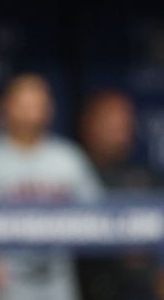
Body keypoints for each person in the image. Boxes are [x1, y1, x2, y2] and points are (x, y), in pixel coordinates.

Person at [0, 74, 102, 300]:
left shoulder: (69, 158)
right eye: (23, 103)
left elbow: (101, 216)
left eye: (38, 102)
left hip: (56, 283)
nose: (31, 111)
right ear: (3, 108)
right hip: (2, 285)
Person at [77, 90, 164, 300]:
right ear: (87, 124)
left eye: (125, 122)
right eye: (110, 121)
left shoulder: (146, 177)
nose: (120, 130)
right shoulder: (71, 172)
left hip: (140, 288)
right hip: (86, 284)